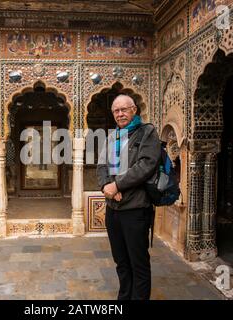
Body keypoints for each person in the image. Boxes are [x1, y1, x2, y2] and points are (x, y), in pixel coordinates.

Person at [97, 95, 161, 300]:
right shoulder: (112, 136)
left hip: (135, 209)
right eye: (116, 111)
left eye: (124, 109)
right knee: (121, 261)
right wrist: (107, 186)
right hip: (113, 210)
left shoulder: (146, 132)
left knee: (138, 262)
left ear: (134, 110)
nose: (120, 114)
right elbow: (101, 166)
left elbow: (146, 165)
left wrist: (117, 185)